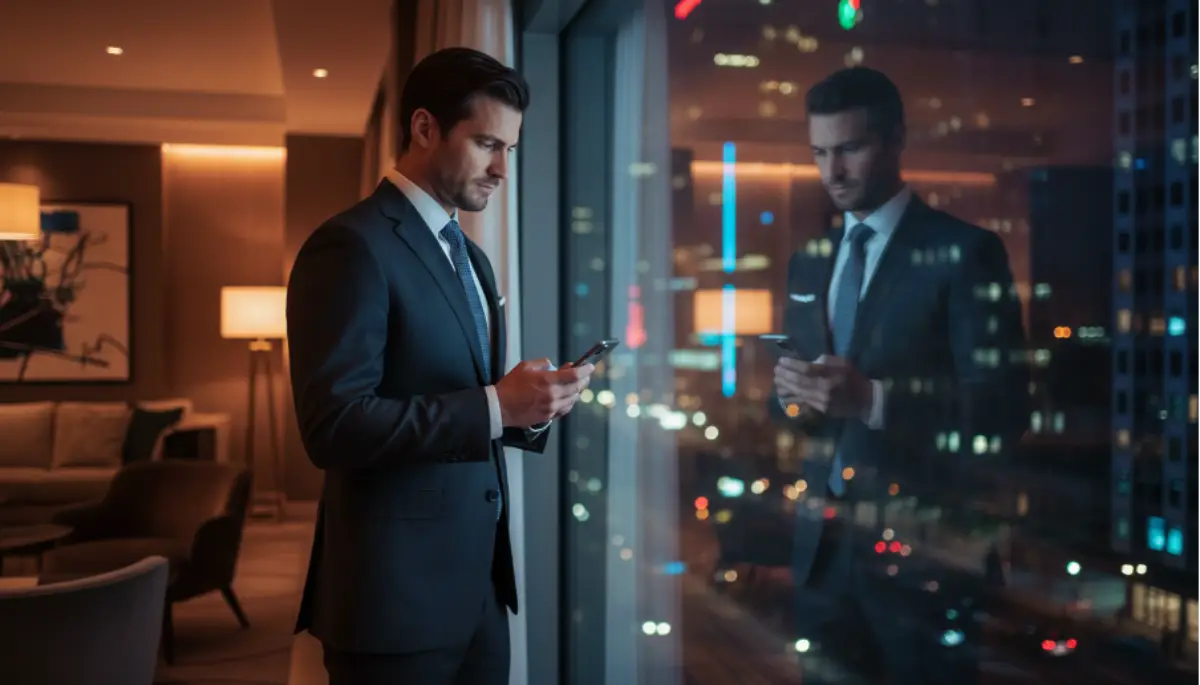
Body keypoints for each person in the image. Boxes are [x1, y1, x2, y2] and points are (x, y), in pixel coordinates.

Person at [286, 47, 594, 685]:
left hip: (479, 592)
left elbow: (469, 410)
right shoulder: (349, 245)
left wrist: (532, 407)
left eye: (509, 148)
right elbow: (333, 426)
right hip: (392, 603)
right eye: (486, 143)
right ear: (425, 128)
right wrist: (495, 404)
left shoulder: (472, 259)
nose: (502, 168)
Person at [772, 67, 1028, 684]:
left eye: (850, 149)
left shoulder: (966, 253)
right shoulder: (809, 263)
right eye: (819, 152)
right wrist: (790, 397)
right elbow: (794, 406)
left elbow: (1003, 411)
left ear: (894, 141)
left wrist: (872, 400)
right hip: (823, 557)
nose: (832, 171)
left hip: (925, 563)